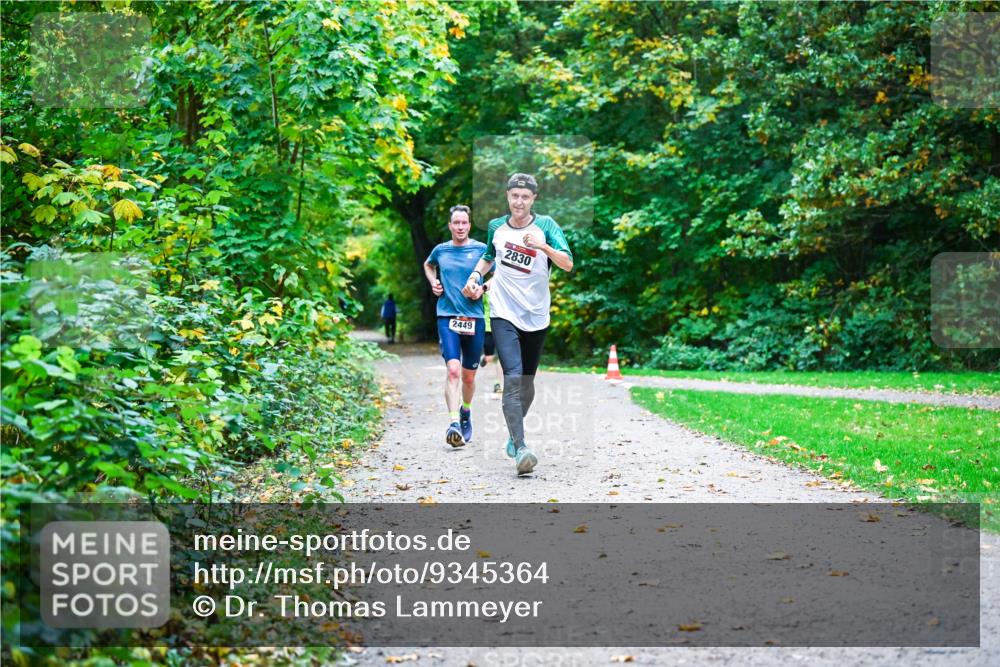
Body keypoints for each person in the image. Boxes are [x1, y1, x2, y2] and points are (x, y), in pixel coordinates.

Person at [462, 173, 573, 475]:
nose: (519, 202)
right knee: (512, 377)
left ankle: (513, 435)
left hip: (536, 315)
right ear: (508, 196)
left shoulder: (546, 226)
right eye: (515, 196)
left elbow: (567, 263)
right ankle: (521, 448)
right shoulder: (497, 228)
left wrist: (544, 247)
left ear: (533, 199)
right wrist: (475, 277)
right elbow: (488, 257)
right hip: (503, 312)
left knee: (527, 383)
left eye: (525, 197)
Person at [424, 205, 487, 447]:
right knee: (453, 370)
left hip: (475, 319)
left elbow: (498, 271)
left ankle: (466, 411)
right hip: (447, 316)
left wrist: (483, 288)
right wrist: (434, 282)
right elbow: (428, 265)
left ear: (469, 225)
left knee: (469, 378)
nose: (460, 227)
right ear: (450, 226)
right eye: (456, 223)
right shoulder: (441, 250)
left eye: (464, 223)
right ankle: (453, 423)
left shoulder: (481, 249)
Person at [480, 291, 503, 394]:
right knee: (490, 357)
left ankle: (498, 384)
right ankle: (484, 358)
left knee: (502, 357)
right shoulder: (486, 292)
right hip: (488, 328)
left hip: (502, 328)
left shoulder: (506, 290)